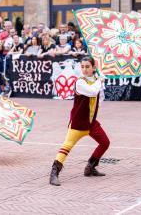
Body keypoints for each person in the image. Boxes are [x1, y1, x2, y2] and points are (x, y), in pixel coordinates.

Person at [49, 56, 110, 186]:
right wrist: (100, 81)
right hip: (78, 123)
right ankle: (54, 173)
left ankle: (90, 167)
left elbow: (99, 99)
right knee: (66, 147)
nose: (84, 69)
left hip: (91, 122)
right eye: (82, 67)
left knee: (105, 142)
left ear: (94, 68)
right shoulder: (79, 82)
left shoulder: (95, 80)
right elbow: (93, 92)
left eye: (87, 67)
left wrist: (101, 84)